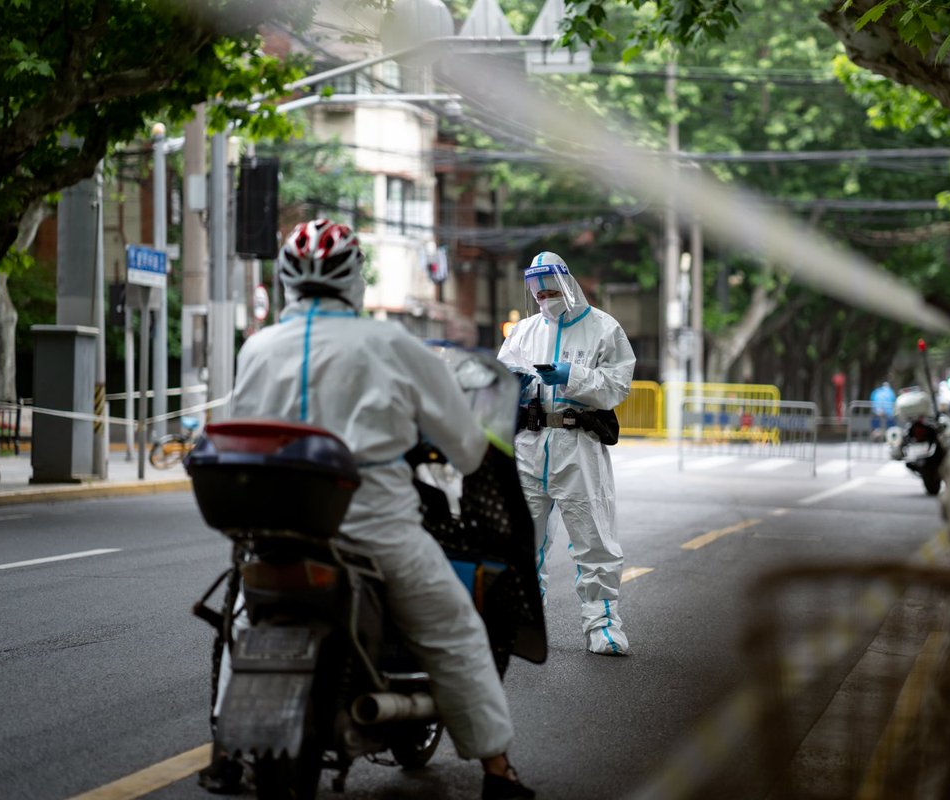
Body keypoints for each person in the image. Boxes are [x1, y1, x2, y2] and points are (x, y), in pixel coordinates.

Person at [200, 219, 533, 800]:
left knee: (247, 622)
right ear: (355, 280)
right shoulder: (391, 344)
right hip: (374, 527)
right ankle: (498, 772)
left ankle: (227, 754)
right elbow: (467, 445)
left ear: (284, 281)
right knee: (454, 630)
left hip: (275, 529)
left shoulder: (257, 347)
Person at [497, 251, 636, 656]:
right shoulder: (522, 333)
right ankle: (524, 622)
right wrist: (515, 385)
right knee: (522, 539)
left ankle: (603, 625)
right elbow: (500, 380)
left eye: (551, 290)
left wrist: (572, 376)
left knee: (593, 538)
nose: (544, 298)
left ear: (569, 285)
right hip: (530, 445)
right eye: (537, 294)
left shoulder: (603, 330)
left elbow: (616, 387)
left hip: (578, 446)